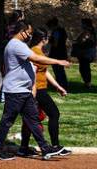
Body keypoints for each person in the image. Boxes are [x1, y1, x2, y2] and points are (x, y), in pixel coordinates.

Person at [0, 20, 71, 161]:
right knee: (8, 120)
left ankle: (45, 149)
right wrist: (58, 61)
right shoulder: (16, 45)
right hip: (15, 91)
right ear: (22, 31)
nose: (30, 35)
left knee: (32, 120)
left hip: (23, 90)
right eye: (29, 32)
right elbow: (36, 58)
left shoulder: (18, 45)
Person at [18, 28, 71, 156]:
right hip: (38, 90)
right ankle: (55, 145)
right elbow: (33, 73)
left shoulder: (37, 52)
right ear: (44, 39)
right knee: (54, 114)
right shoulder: (35, 53)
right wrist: (33, 92)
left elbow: (44, 71)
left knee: (30, 118)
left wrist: (58, 86)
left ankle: (23, 147)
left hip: (40, 89)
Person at [70, 18, 97, 88]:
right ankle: (87, 82)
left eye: (82, 23)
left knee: (85, 68)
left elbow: (83, 39)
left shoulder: (88, 31)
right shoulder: (89, 31)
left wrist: (78, 41)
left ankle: (88, 83)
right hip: (86, 52)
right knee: (84, 67)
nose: (81, 25)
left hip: (86, 53)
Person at [46, 17, 69, 89]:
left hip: (57, 53)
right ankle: (62, 83)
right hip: (62, 52)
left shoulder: (56, 31)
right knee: (60, 69)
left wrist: (48, 41)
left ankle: (61, 84)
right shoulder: (62, 30)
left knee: (58, 69)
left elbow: (55, 43)